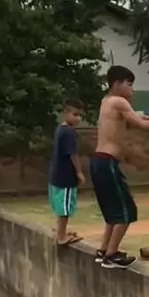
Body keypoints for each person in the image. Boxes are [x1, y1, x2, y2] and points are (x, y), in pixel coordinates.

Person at [90, 65, 149, 269]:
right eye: (130, 84)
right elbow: (141, 124)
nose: (133, 89)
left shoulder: (107, 101)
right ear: (117, 84)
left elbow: (138, 117)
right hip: (107, 163)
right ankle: (111, 256)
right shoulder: (119, 101)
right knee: (126, 211)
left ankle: (104, 250)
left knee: (113, 211)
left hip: (100, 162)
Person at [48, 99, 85, 246]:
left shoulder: (60, 129)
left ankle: (61, 231)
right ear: (66, 113)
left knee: (60, 205)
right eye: (75, 115)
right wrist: (79, 172)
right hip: (66, 177)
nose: (78, 118)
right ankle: (62, 237)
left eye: (80, 115)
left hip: (56, 175)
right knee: (65, 207)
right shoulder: (69, 133)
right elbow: (73, 154)